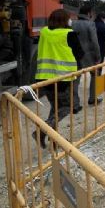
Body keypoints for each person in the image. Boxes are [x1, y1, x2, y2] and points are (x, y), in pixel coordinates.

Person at [34, 8, 84, 148]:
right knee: (68, 106)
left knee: (55, 108)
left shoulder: (44, 32)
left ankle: (54, 140)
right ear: (65, 20)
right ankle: (42, 131)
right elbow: (80, 54)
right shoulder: (69, 34)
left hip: (44, 77)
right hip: (62, 78)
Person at [72, 4, 102, 105]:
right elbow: (95, 42)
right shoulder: (90, 24)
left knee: (76, 78)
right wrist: (98, 56)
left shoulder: (72, 23)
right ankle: (93, 98)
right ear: (89, 13)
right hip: (89, 57)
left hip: (75, 55)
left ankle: (74, 103)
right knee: (94, 75)